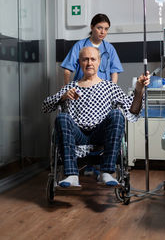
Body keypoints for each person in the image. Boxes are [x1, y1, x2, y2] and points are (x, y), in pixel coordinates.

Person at [42, 47, 150, 188]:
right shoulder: (71, 87)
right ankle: (71, 175)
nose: (89, 63)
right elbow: (45, 106)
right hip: (77, 135)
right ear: (79, 62)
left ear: (99, 62)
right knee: (62, 118)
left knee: (117, 114)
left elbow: (133, 110)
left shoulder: (110, 87)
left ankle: (106, 172)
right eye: (85, 59)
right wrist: (62, 97)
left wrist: (139, 89)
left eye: (93, 59)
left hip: (100, 134)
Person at [61, 13, 123, 84]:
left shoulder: (109, 48)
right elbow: (67, 69)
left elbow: (114, 72)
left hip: (103, 89)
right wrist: (67, 88)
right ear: (92, 27)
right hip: (82, 87)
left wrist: (112, 89)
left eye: (106, 29)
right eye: (99, 28)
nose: (103, 32)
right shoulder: (80, 45)